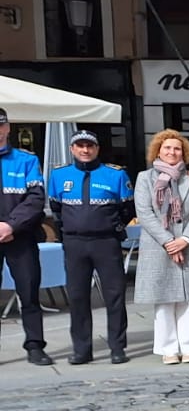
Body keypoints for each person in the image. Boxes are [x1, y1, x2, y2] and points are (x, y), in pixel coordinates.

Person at [133, 129, 189, 364]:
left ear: (184, 152)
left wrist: (185, 239)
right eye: (167, 148)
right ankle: (168, 348)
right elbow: (144, 212)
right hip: (158, 245)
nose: (172, 152)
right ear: (158, 151)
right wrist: (169, 242)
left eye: (177, 148)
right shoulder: (145, 178)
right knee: (163, 299)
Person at [47, 129, 134, 365]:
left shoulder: (115, 175)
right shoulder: (58, 175)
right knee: (77, 297)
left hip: (106, 242)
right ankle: (82, 350)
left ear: (97, 148)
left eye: (90, 146)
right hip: (75, 244)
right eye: (80, 146)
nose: (85, 150)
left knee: (114, 296)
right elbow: (56, 210)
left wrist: (113, 228)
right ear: (72, 149)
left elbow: (127, 209)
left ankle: (117, 347)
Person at [0, 108, 50, 365]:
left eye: (1, 126)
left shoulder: (26, 160)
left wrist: (10, 226)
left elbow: (35, 199)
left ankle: (35, 346)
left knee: (29, 292)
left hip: (20, 237)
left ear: (8, 128)